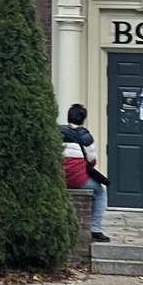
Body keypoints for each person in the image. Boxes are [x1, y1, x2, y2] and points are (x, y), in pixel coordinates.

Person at [59, 103, 110, 242]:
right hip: (78, 179)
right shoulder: (86, 137)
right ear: (83, 119)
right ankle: (95, 229)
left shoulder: (58, 132)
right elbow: (92, 161)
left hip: (59, 178)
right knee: (100, 193)